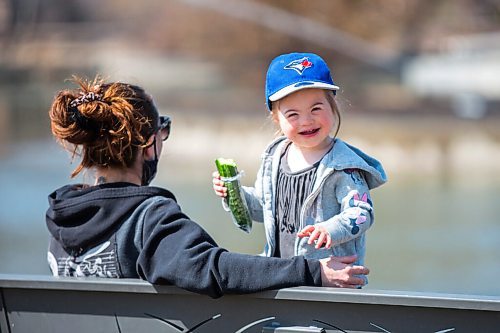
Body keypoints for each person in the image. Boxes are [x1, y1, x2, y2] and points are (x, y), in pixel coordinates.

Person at [46, 75, 369, 299]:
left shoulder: (62, 221)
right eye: (163, 130)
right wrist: (312, 272)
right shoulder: (149, 218)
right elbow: (212, 268)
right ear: (148, 144)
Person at [212, 52, 387, 285]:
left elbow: (362, 213)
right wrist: (234, 193)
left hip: (331, 281)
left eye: (316, 109)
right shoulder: (275, 157)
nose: (306, 121)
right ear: (276, 118)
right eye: (293, 114)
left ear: (333, 106)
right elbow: (264, 209)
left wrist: (330, 229)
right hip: (281, 276)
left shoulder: (344, 167)